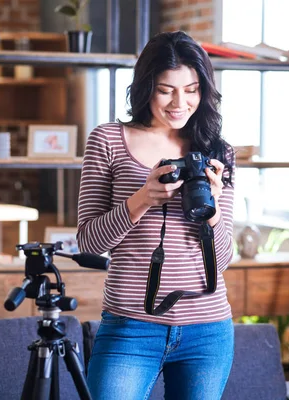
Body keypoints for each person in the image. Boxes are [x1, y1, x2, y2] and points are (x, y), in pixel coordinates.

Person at [77, 31, 236, 400]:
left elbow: (224, 258)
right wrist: (142, 199)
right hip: (131, 326)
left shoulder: (217, 150)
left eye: (192, 89)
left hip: (208, 329)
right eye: (167, 90)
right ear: (146, 87)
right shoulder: (108, 140)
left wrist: (211, 213)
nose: (180, 102)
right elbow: (88, 242)